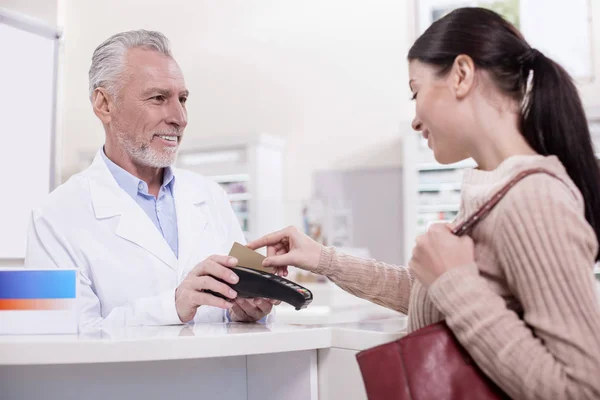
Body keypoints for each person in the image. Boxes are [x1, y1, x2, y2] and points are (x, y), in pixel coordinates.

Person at [248, 8, 600, 399]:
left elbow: (582, 389)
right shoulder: (496, 195)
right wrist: (323, 260)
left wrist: (456, 282)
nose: (415, 119)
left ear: (462, 75)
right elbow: (432, 300)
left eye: (416, 91)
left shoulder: (533, 200)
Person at [25, 30, 274, 330]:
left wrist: (245, 311)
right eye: (158, 98)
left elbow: (235, 311)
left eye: (182, 99)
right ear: (104, 104)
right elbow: (56, 339)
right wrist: (173, 306)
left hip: (221, 377)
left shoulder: (210, 196)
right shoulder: (52, 218)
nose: (180, 117)